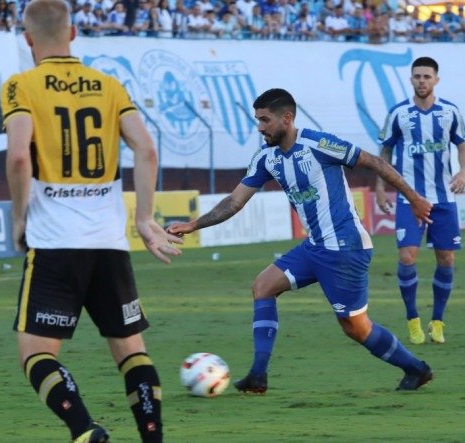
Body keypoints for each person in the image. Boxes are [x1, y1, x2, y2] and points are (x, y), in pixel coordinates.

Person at [168, 88, 434, 394]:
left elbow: (373, 161)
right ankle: (258, 374)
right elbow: (235, 200)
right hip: (316, 246)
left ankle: (416, 368)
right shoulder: (266, 158)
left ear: (287, 118)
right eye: (258, 120)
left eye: (265, 120)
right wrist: (194, 224)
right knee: (263, 286)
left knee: (356, 327)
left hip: (345, 248)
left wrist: (413, 198)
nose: (260, 127)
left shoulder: (319, 144)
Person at [0, 0, 183, 441]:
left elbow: (20, 155)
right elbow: (147, 150)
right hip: (108, 242)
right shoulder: (109, 86)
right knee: (131, 350)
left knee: (36, 353)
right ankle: (153, 438)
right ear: (74, 34)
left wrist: (20, 218)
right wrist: (142, 218)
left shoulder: (19, 86)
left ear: (28, 40)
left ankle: (85, 431)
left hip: (55, 241)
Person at [375, 56, 465, 346]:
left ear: (436, 80)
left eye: (427, 76)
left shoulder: (450, 112)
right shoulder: (399, 114)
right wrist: (381, 187)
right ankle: (413, 319)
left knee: (447, 258)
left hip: (443, 199)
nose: (422, 81)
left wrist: (464, 171)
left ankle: (437, 321)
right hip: (409, 198)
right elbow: (385, 153)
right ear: (411, 79)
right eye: (417, 76)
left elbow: (462, 145)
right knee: (407, 256)